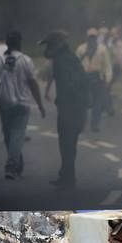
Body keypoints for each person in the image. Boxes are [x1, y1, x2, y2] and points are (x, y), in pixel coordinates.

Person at [0, 31, 45, 180]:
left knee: (9, 136)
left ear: (7, 44)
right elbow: (33, 83)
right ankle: (11, 167)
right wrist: (40, 104)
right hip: (22, 104)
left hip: (3, 104)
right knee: (17, 135)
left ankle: (16, 165)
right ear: (19, 43)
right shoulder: (26, 60)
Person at [39, 31, 87, 188]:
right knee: (69, 143)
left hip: (70, 108)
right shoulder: (69, 57)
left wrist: (63, 101)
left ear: (55, 45)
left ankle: (68, 177)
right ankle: (67, 175)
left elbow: (69, 84)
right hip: (76, 107)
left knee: (66, 143)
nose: (46, 50)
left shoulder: (62, 59)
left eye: (49, 45)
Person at [76, 28, 112, 132]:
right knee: (83, 103)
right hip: (84, 78)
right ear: (87, 38)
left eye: (93, 37)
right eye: (90, 37)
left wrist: (108, 79)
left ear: (96, 38)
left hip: (97, 78)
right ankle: (81, 124)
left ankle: (95, 124)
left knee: (98, 103)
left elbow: (107, 65)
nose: (92, 39)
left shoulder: (102, 49)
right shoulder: (81, 49)